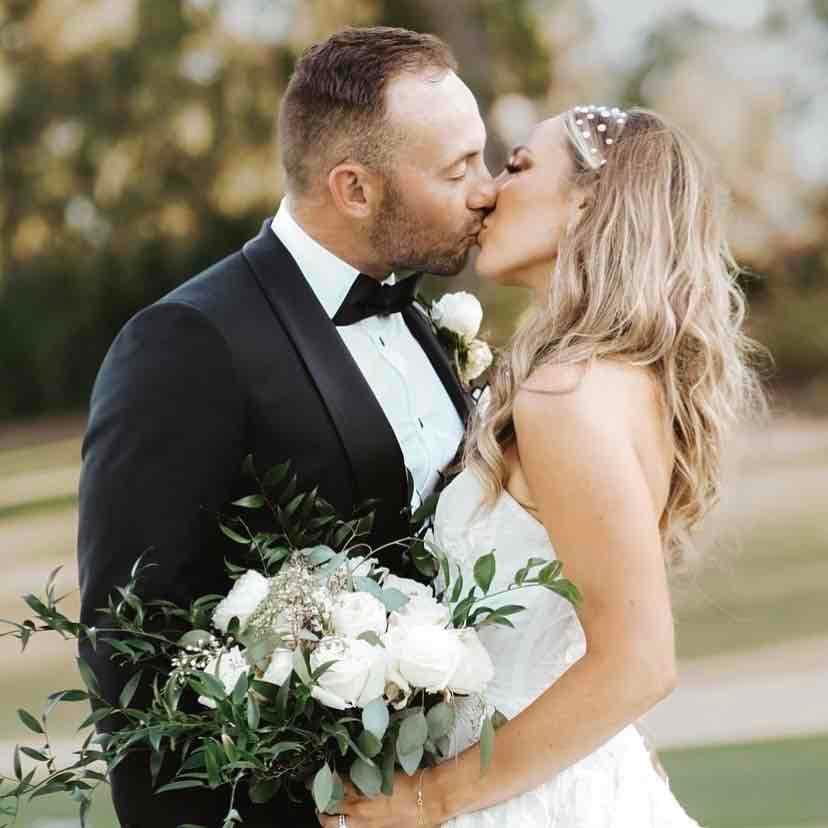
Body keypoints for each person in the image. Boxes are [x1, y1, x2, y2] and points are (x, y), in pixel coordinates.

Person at [76, 26, 496, 828]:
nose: (486, 189)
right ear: (355, 188)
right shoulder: (188, 341)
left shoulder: (419, 322)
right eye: (457, 169)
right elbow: (128, 643)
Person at [317, 106, 764, 828]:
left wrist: (434, 798)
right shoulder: (619, 376)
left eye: (518, 166)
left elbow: (640, 663)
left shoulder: (566, 396)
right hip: (558, 776)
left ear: (588, 200)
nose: (489, 190)